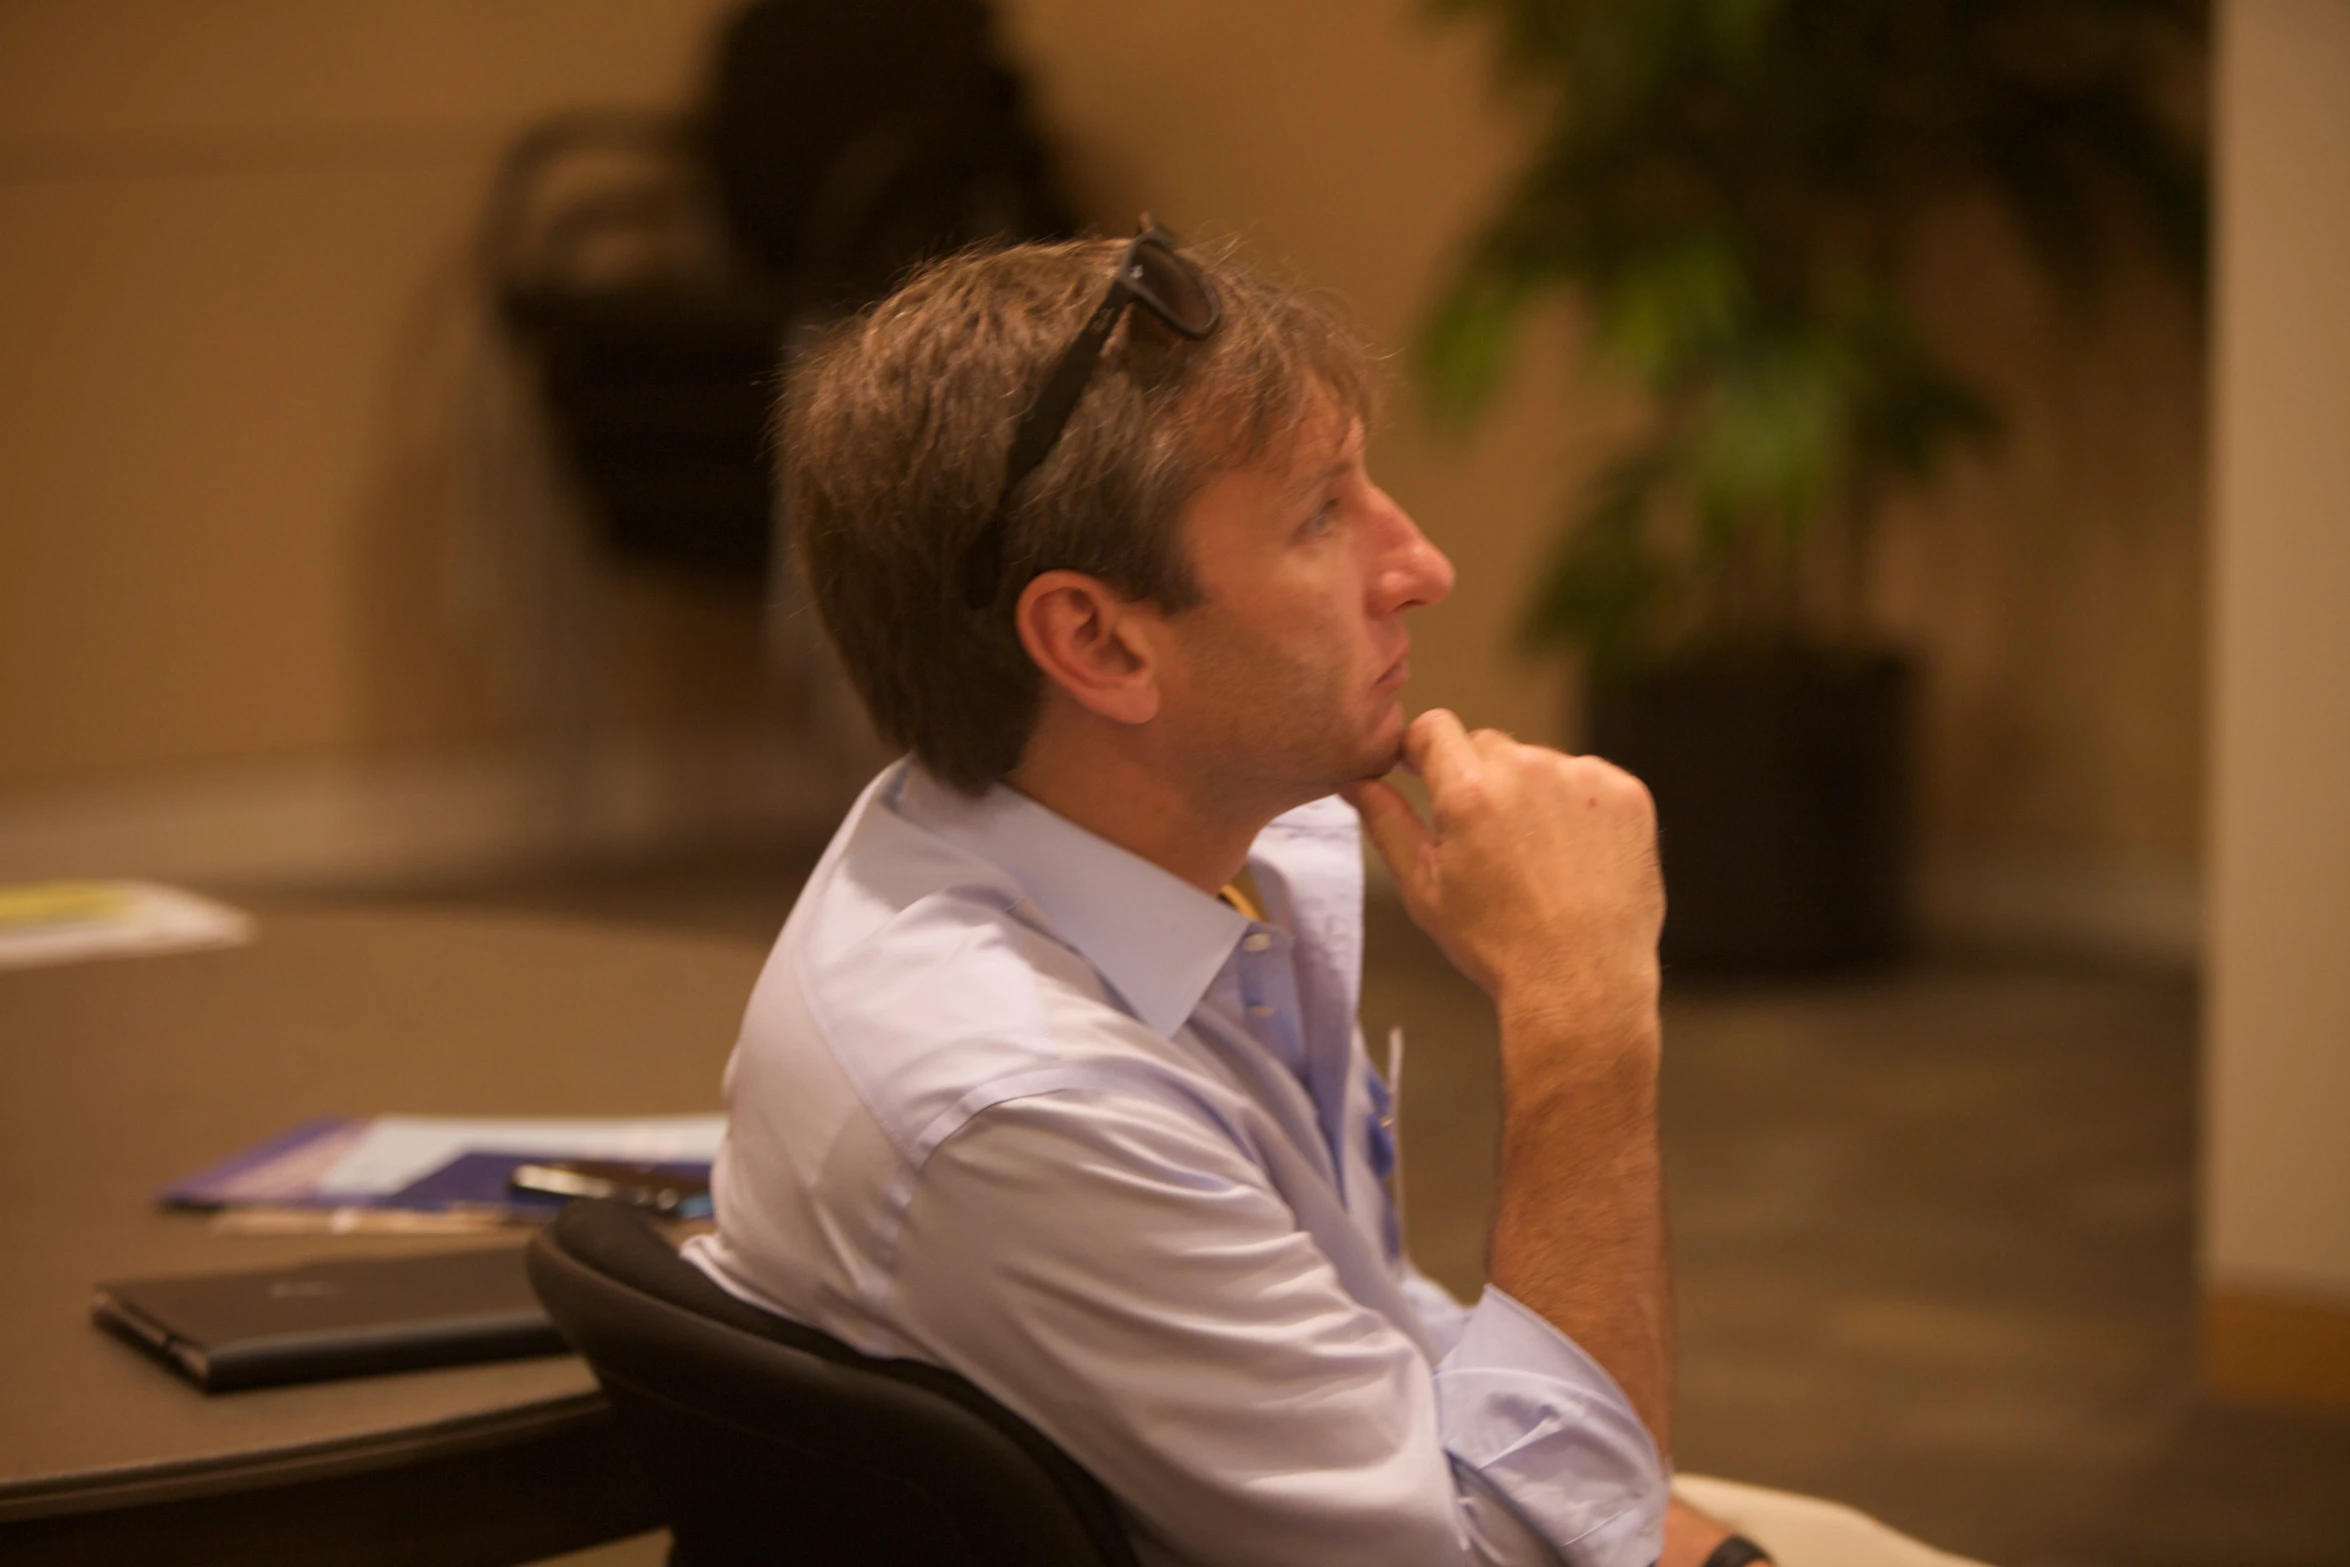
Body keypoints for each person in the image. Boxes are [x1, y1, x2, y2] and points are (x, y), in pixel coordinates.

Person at [685, 225, 1732, 1567]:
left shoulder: (1215, 851)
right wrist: (1580, 1014)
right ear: (1098, 640)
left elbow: (1354, 1329)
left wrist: (1705, 1546)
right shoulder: (1022, 1091)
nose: (1418, 565)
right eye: (1320, 514)